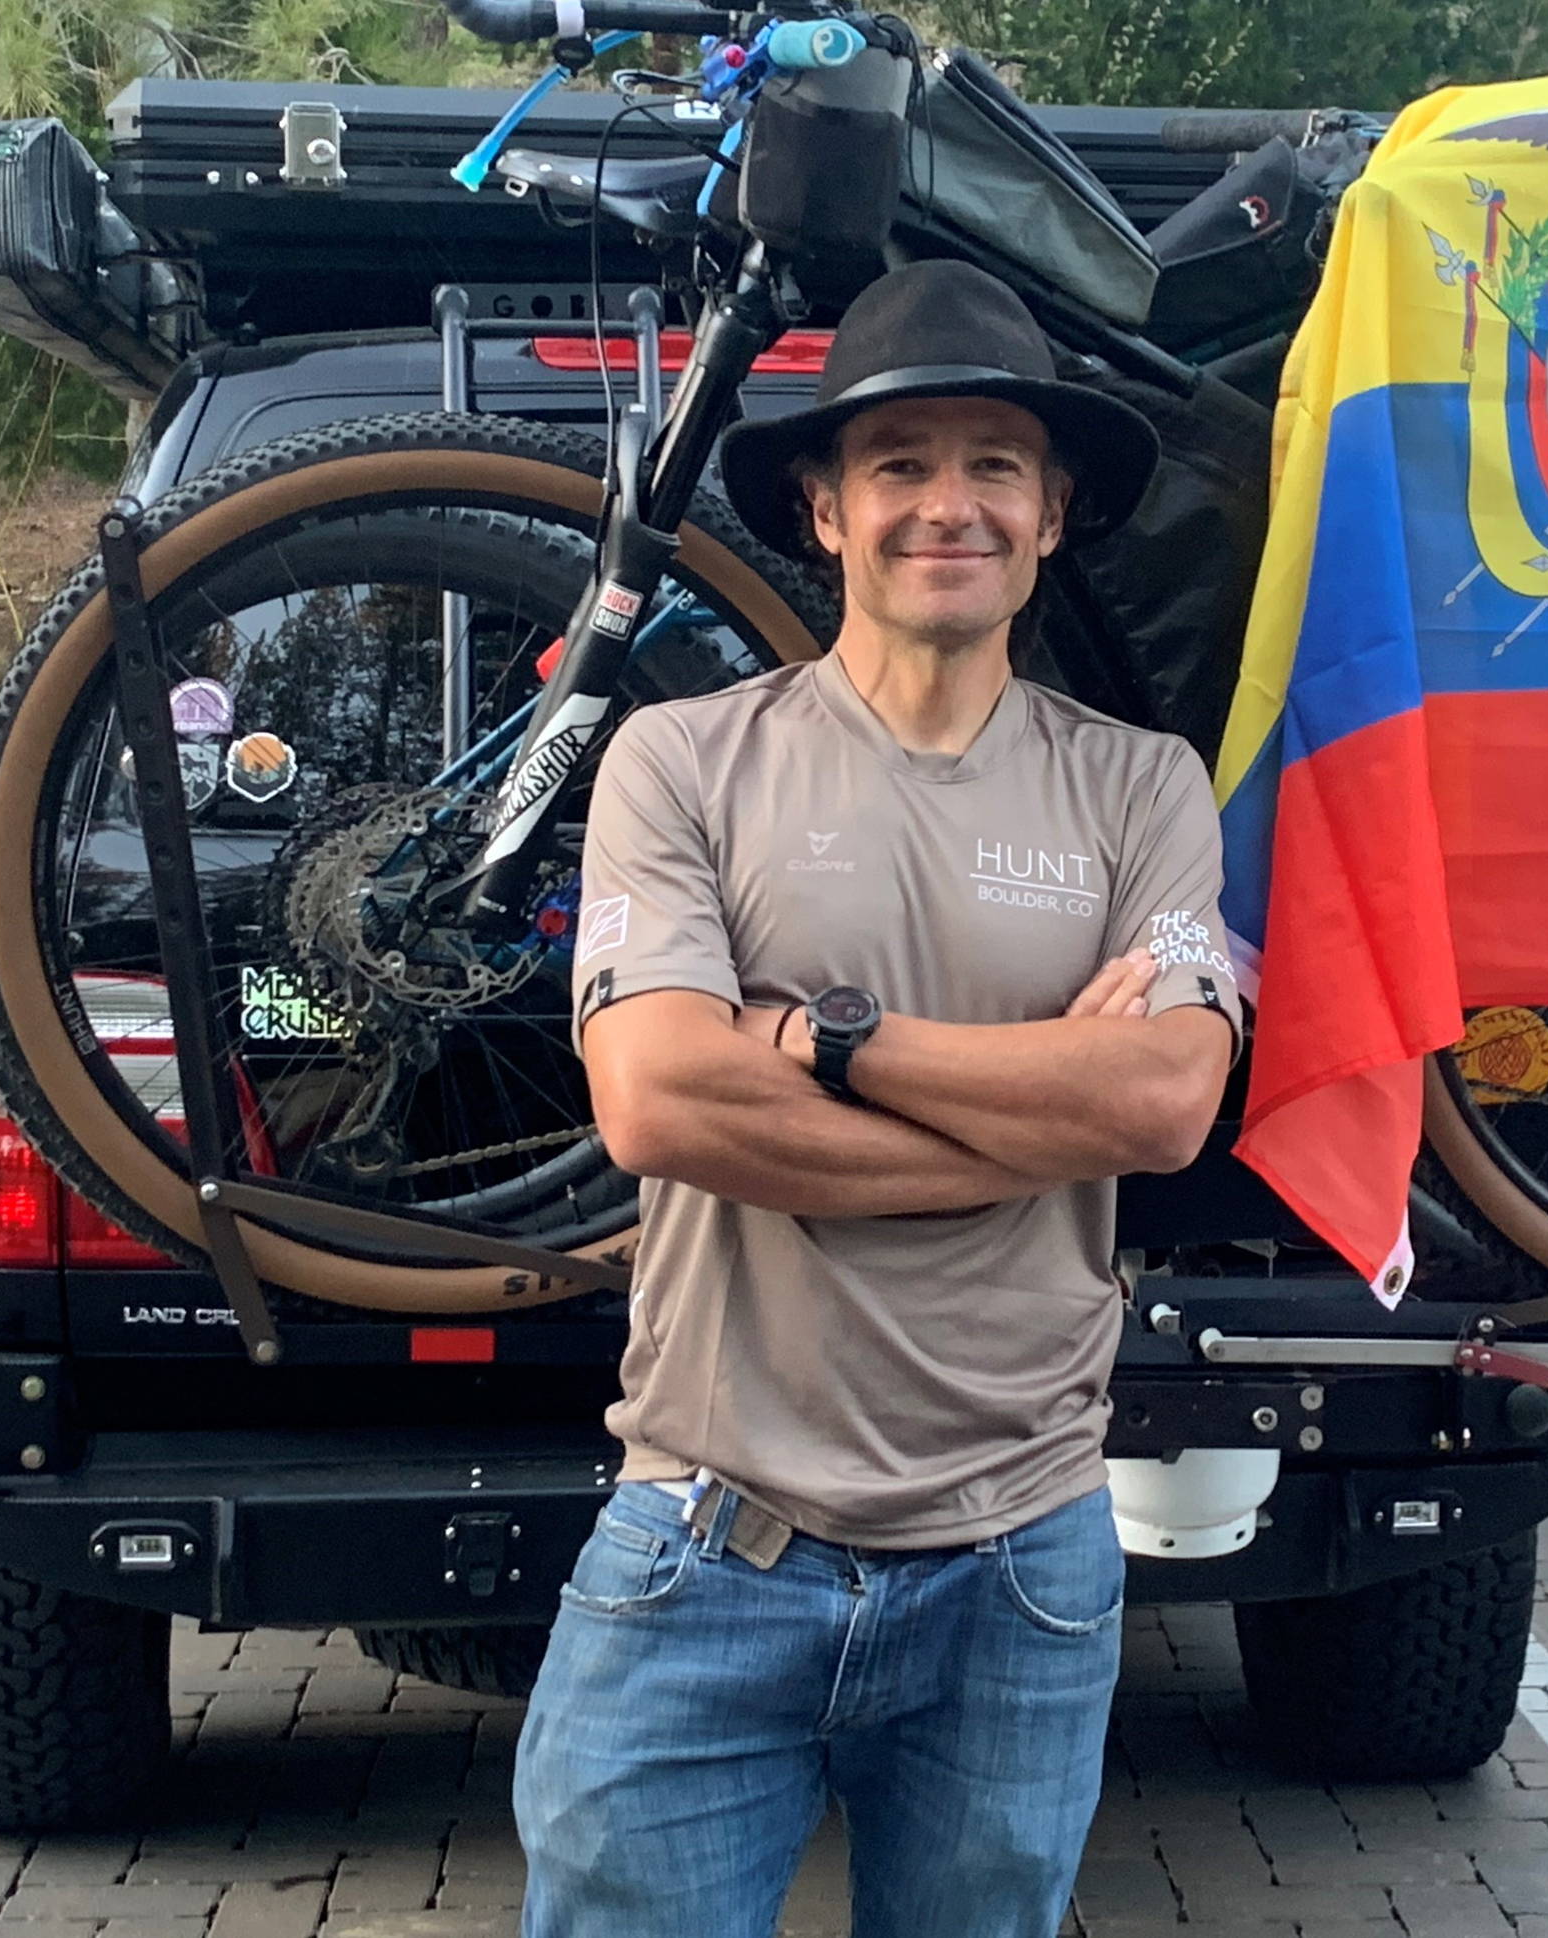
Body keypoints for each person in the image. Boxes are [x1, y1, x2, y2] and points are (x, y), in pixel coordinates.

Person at [515, 260, 1245, 1938]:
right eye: (901, 463)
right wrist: (1022, 1114)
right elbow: (665, 1100)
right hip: (707, 1543)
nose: (950, 503)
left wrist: (836, 1040)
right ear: (826, 510)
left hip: (1025, 1560)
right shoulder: (681, 761)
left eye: (996, 464)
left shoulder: (1142, 785)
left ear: (1054, 513)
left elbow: (1160, 1100)